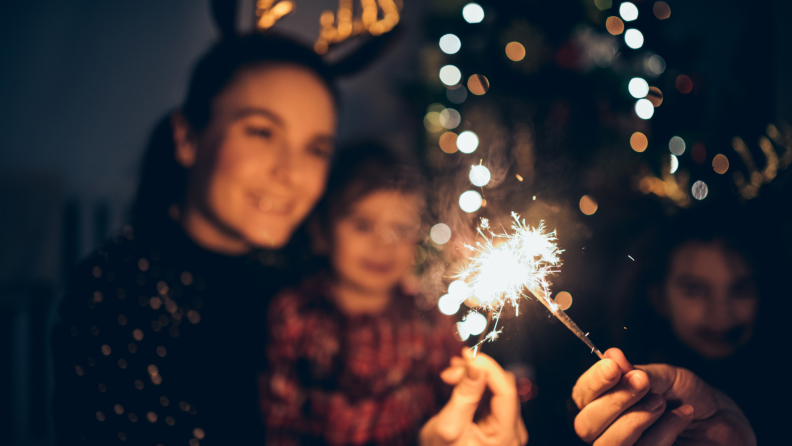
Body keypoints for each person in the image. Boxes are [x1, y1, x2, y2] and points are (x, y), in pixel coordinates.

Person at [51, 31, 525, 445]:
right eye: (261, 132)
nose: (291, 172)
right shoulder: (117, 296)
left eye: (315, 148)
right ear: (187, 137)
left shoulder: (309, 270)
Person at [260, 144, 529, 446]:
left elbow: (459, 413)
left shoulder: (430, 320)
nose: (383, 244)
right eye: (363, 225)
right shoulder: (295, 313)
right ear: (321, 231)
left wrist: (477, 398)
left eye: (400, 229)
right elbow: (279, 423)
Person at [571, 205, 788, 444]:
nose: (720, 312)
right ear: (659, 298)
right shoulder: (642, 390)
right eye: (695, 290)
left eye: (740, 289)